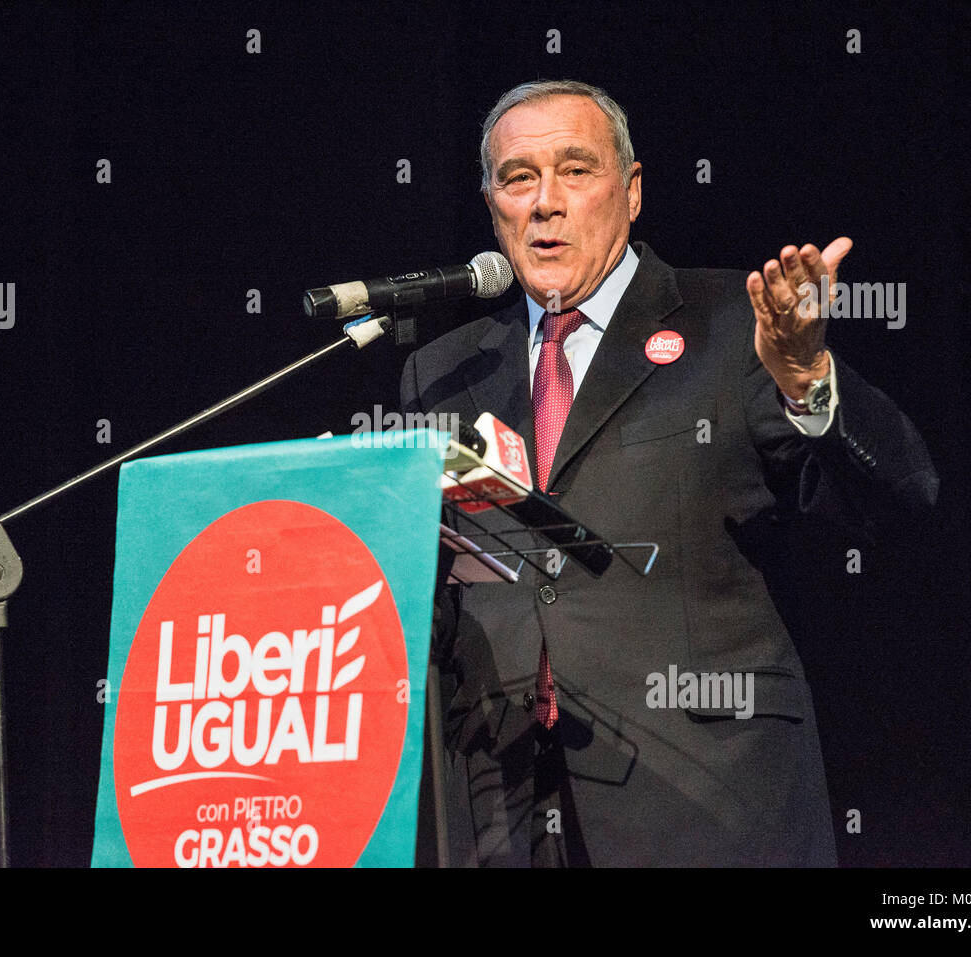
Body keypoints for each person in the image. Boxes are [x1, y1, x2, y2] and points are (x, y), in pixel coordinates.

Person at [400, 79, 938, 866]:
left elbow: (899, 495)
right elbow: (424, 598)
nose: (544, 202)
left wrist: (807, 377)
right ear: (492, 206)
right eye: (518, 177)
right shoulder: (440, 374)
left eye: (575, 170)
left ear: (633, 191)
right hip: (502, 809)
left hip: (703, 798)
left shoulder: (730, 323)